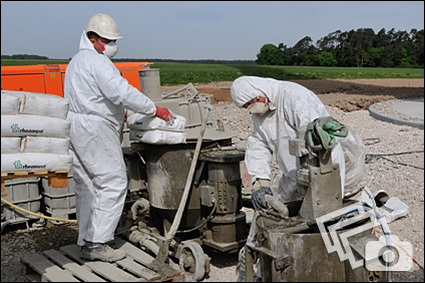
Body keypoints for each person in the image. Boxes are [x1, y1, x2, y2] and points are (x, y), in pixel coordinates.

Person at [230, 76, 366, 281]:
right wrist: (261, 182)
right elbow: (258, 144)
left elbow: (318, 136)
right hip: (295, 175)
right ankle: (252, 264)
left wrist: (324, 187)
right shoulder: (261, 113)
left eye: (250, 103)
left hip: (329, 171)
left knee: (331, 221)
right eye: (245, 107)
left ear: (260, 92)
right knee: (267, 212)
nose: (250, 110)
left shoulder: (294, 97)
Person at [64, 13, 175, 263]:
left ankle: (85, 239)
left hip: (77, 126)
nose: (112, 45)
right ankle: (98, 243)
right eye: (108, 40)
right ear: (92, 38)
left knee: (87, 186)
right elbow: (120, 90)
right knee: (113, 181)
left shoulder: (76, 62)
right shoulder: (97, 62)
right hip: (96, 128)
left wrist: (119, 110)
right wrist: (153, 108)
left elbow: (94, 96)